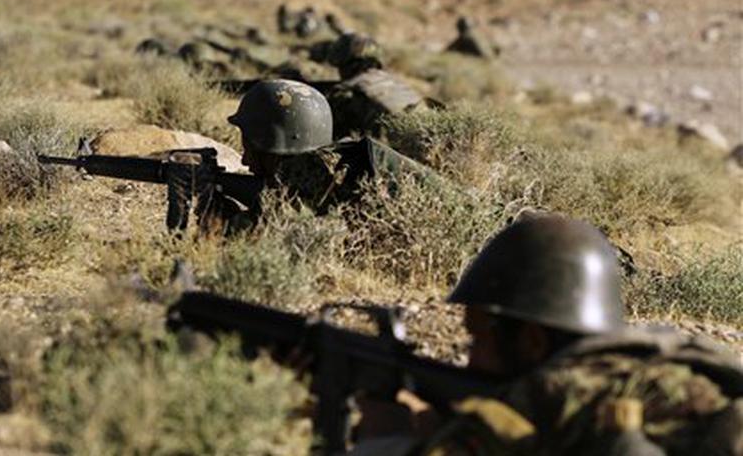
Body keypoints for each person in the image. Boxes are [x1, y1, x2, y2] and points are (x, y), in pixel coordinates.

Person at [351, 215, 743, 456]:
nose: (468, 360)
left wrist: (385, 431)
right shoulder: (656, 366)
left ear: (533, 340)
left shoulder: (551, 392)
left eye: (477, 341)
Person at [226, 78, 436, 219]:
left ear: (274, 141)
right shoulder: (330, 161)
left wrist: (216, 184)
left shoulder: (317, 170)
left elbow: (267, 219)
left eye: (250, 147)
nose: (245, 161)